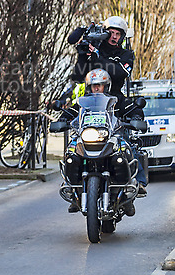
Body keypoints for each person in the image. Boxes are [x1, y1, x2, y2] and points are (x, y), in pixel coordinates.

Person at [61, 69, 147, 214]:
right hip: (87, 136)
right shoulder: (83, 103)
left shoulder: (117, 100)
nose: (96, 88)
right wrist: (62, 120)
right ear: (88, 86)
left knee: (129, 149)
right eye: (93, 85)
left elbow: (133, 109)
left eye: (99, 85)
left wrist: (137, 117)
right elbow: (71, 112)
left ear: (106, 86)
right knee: (71, 152)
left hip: (112, 136)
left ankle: (136, 185)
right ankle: (73, 188)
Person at [72, 16, 134, 112]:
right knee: (68, 115)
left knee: (135, 111)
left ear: (122, 37)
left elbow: (121, 73)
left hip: (115, 99)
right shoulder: (93, 51)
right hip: (90, 99)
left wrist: (98, 59)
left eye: (117, 34)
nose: (114, 37)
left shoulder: (126, 54)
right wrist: (82, 56)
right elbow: (78, 77)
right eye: (111, 33)